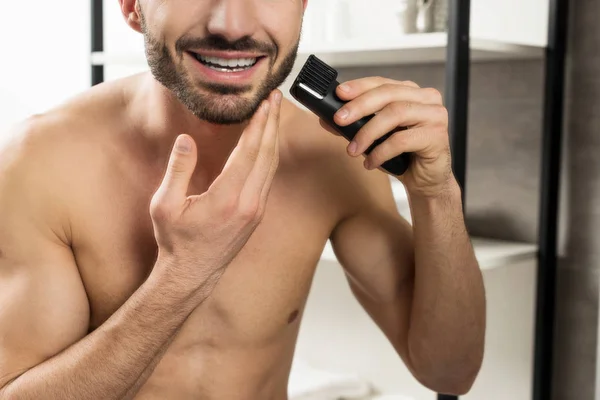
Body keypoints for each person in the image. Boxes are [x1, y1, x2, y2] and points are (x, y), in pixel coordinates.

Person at [0, 1, 486, 399]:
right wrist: (181, 277)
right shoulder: (40, 164)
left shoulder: (335, 159)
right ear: (132, 6)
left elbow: (449, 373)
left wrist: (436, 193)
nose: (231, 25)